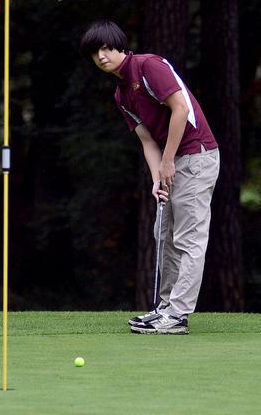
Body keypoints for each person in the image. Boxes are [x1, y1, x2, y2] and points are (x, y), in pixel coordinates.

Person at [80, 20, 220, 335]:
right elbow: (146, 140)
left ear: (119, 45)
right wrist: (157, 176)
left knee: (188, 237)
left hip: (196, 155)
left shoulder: (148, 66)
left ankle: (178, 316)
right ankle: (165, 310)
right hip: (172, 159)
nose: (101, 56)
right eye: (94, 53)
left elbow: (180, 110)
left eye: (106, 47)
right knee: (164, 234)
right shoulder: (121, 95)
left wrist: (169, 161)